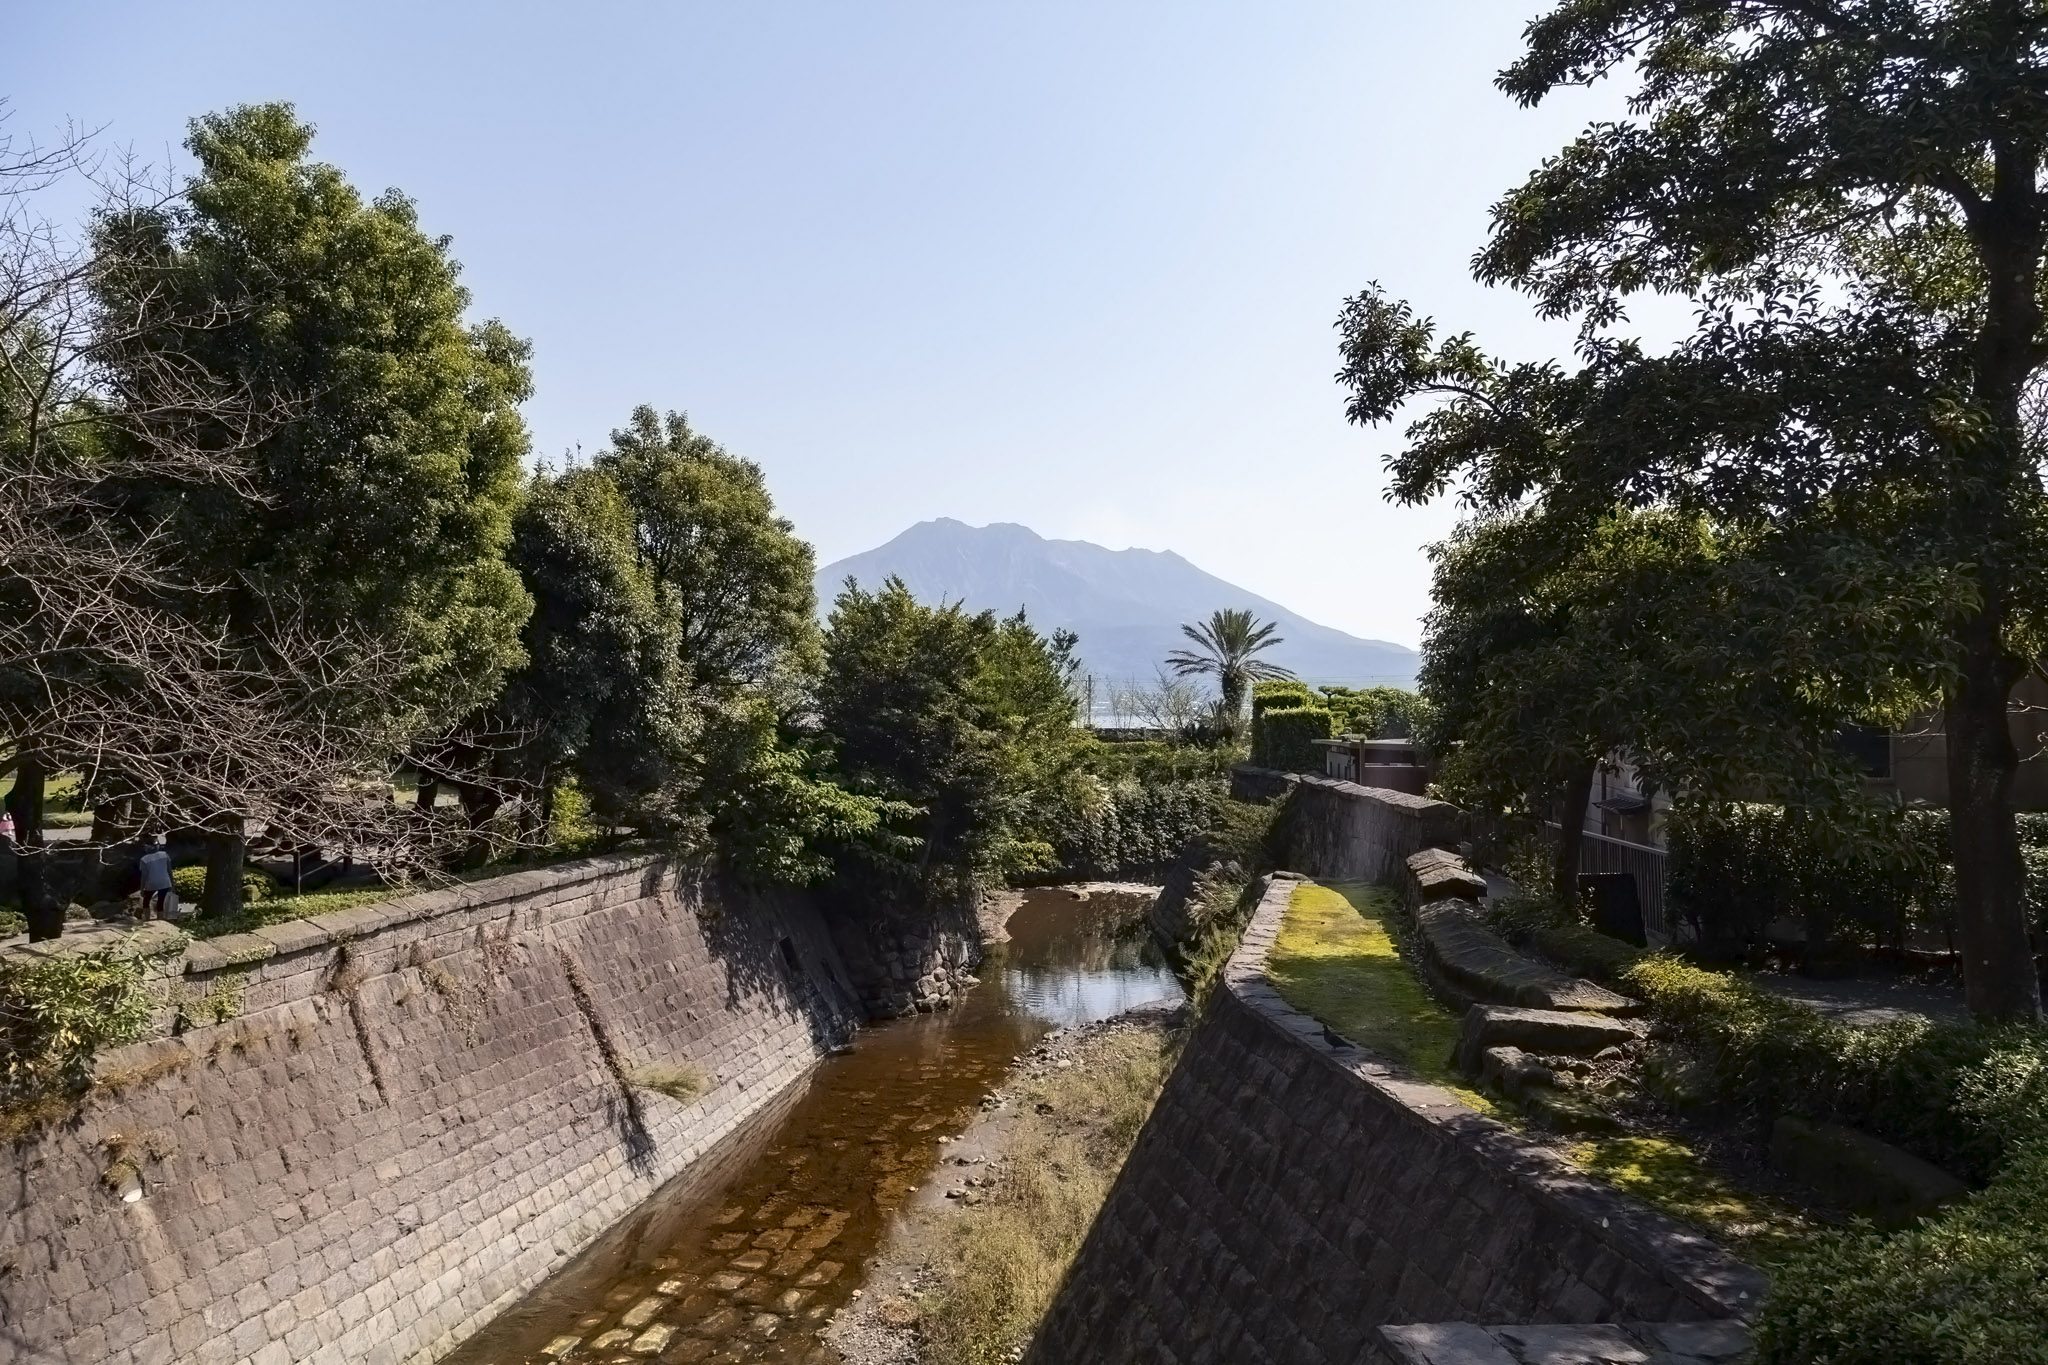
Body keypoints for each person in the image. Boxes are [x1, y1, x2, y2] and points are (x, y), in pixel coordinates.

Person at [137, 835, 173, 920]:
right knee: (160, 902)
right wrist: (172, 883)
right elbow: (169, 870)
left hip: (151, 883)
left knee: (146, 902)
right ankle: (160, 920)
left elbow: (144, 876)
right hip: (165, 882)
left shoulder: (144, 859)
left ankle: (147, 919)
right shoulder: (165, 855)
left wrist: (142, 889)